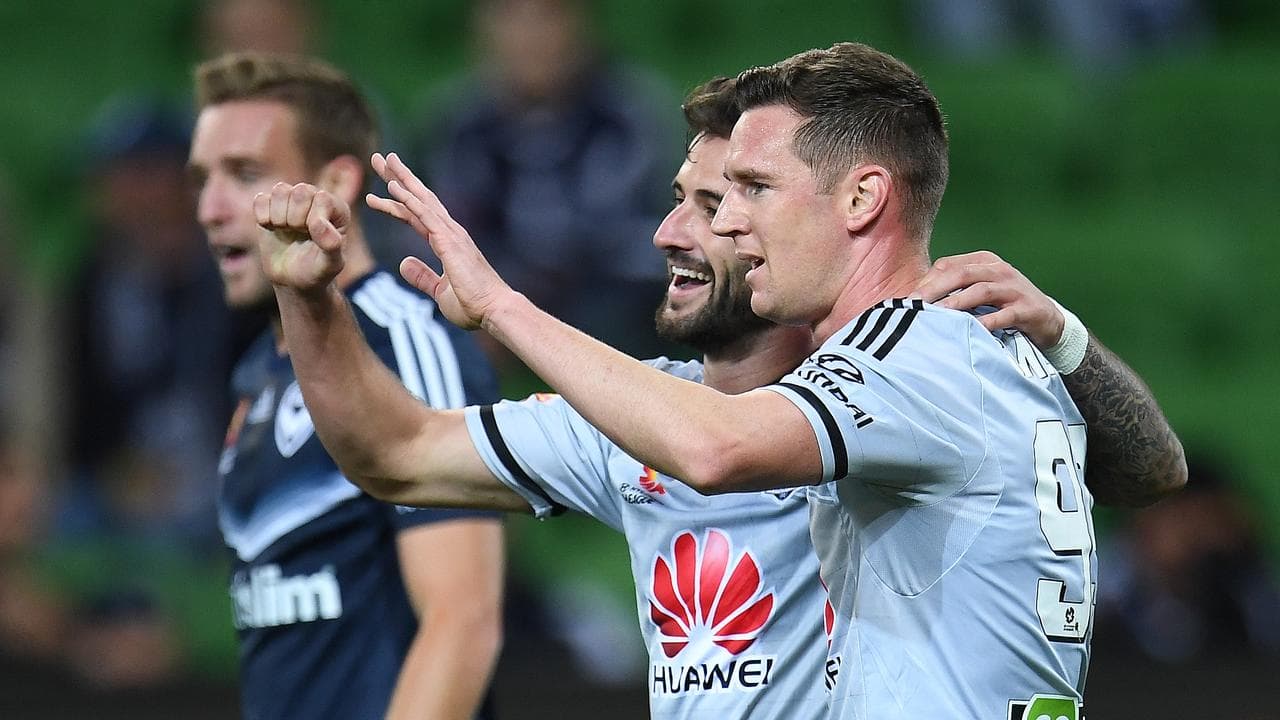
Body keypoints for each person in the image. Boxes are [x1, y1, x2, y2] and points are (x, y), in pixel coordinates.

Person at [256, 66, 1183, 719]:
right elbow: (394, 454)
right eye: (703, 194)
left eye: (745, 191)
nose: (692, 228)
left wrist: (501, 306)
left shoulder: (919, 357)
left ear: (857, 200)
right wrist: (308, 298)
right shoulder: (658, 409)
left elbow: (715, 450)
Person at [185, 52, 503, 720]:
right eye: (202, 178)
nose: (211, 208)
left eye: (244, 174)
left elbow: (462, 621)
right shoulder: (259, 372)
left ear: (336, 180)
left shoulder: (405, 339)